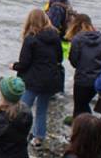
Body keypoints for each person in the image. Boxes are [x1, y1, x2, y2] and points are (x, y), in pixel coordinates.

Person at [12, 9, 65, 146]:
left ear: (30, 21)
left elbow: (24, 63)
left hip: (33, 80)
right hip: (50, 80)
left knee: (23, 108)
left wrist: (14, 66)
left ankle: (18, 135)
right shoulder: (55, 36)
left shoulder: (30, 39)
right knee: (42, 109)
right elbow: (60, 57)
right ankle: (38, 137)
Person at [67, 14, 101, 116]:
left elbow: (73, 61)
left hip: (82, 79)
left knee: (79, 108)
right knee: (85, 104)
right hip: (99, 79)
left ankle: (83, 128)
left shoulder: (77, 39)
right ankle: (91, 125)